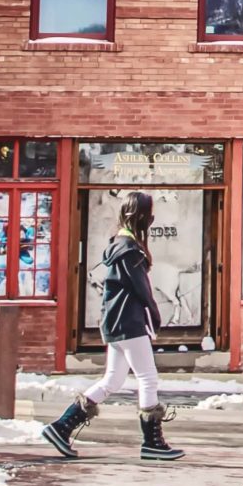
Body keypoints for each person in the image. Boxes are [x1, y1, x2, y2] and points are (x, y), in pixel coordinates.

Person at [42, 191, 182, 461]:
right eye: (150, 215)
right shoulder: (130, 250)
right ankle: (152, 442)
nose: (152, 220)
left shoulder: (119, 245)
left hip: (116, 323)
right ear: (141, 216)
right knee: (147, 378)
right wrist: (154, 315)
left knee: (113, 380)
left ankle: (61, 427)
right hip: (129, 323)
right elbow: (142, 291)